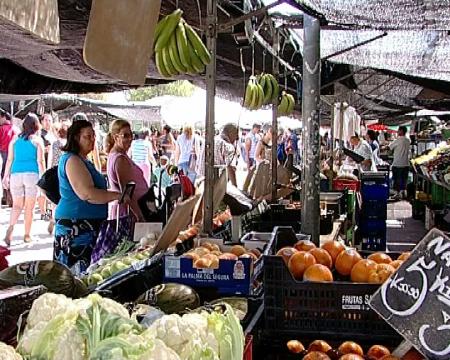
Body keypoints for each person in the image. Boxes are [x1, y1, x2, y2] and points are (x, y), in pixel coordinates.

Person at [54, 120, 122, 273]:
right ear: (76, 138)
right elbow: (87, 193)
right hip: (76, 227)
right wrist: (116, 196)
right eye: (88, 137)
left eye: (93, 136)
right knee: (76, 276)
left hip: (88, 225)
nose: (93, 140)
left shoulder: (84, 160)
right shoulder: (72, 160)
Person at [2, 113, 45, 245]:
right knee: (29, 208)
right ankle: (27, 235)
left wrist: (5, 177)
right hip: (32, 175)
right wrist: (43, 177)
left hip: (16, 174)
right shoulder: (37, 141)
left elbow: (9, 159)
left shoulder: (14, 140)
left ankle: (11, 227)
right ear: (36, 126)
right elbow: (40, 161)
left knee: (16, 205)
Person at [106, 119, 149, 221]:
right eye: (125, 136)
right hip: (129, 213)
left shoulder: (119, 155)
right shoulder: (120, 159)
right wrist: (140, 216)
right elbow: (127, 193)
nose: (130, 139)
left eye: (131, 135)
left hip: (131, 210)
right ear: (116, 137)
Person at [389, 126, 411, 199]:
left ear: (401, 131)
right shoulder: (408, 140)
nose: (397, 132)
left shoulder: (398, 140)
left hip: (397, 163)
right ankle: (403, 193)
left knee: (397, 180)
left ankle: (398, 194)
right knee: (404, 179)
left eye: (398, 130)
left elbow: (390, 147)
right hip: (406, 163)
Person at [0, 109, 16, 206]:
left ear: (4, 117)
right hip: (15, 155)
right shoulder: (16, 129)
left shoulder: (1, 129)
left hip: (4, 154)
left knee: (4, 175)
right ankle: (12, 199)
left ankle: (6, 197)